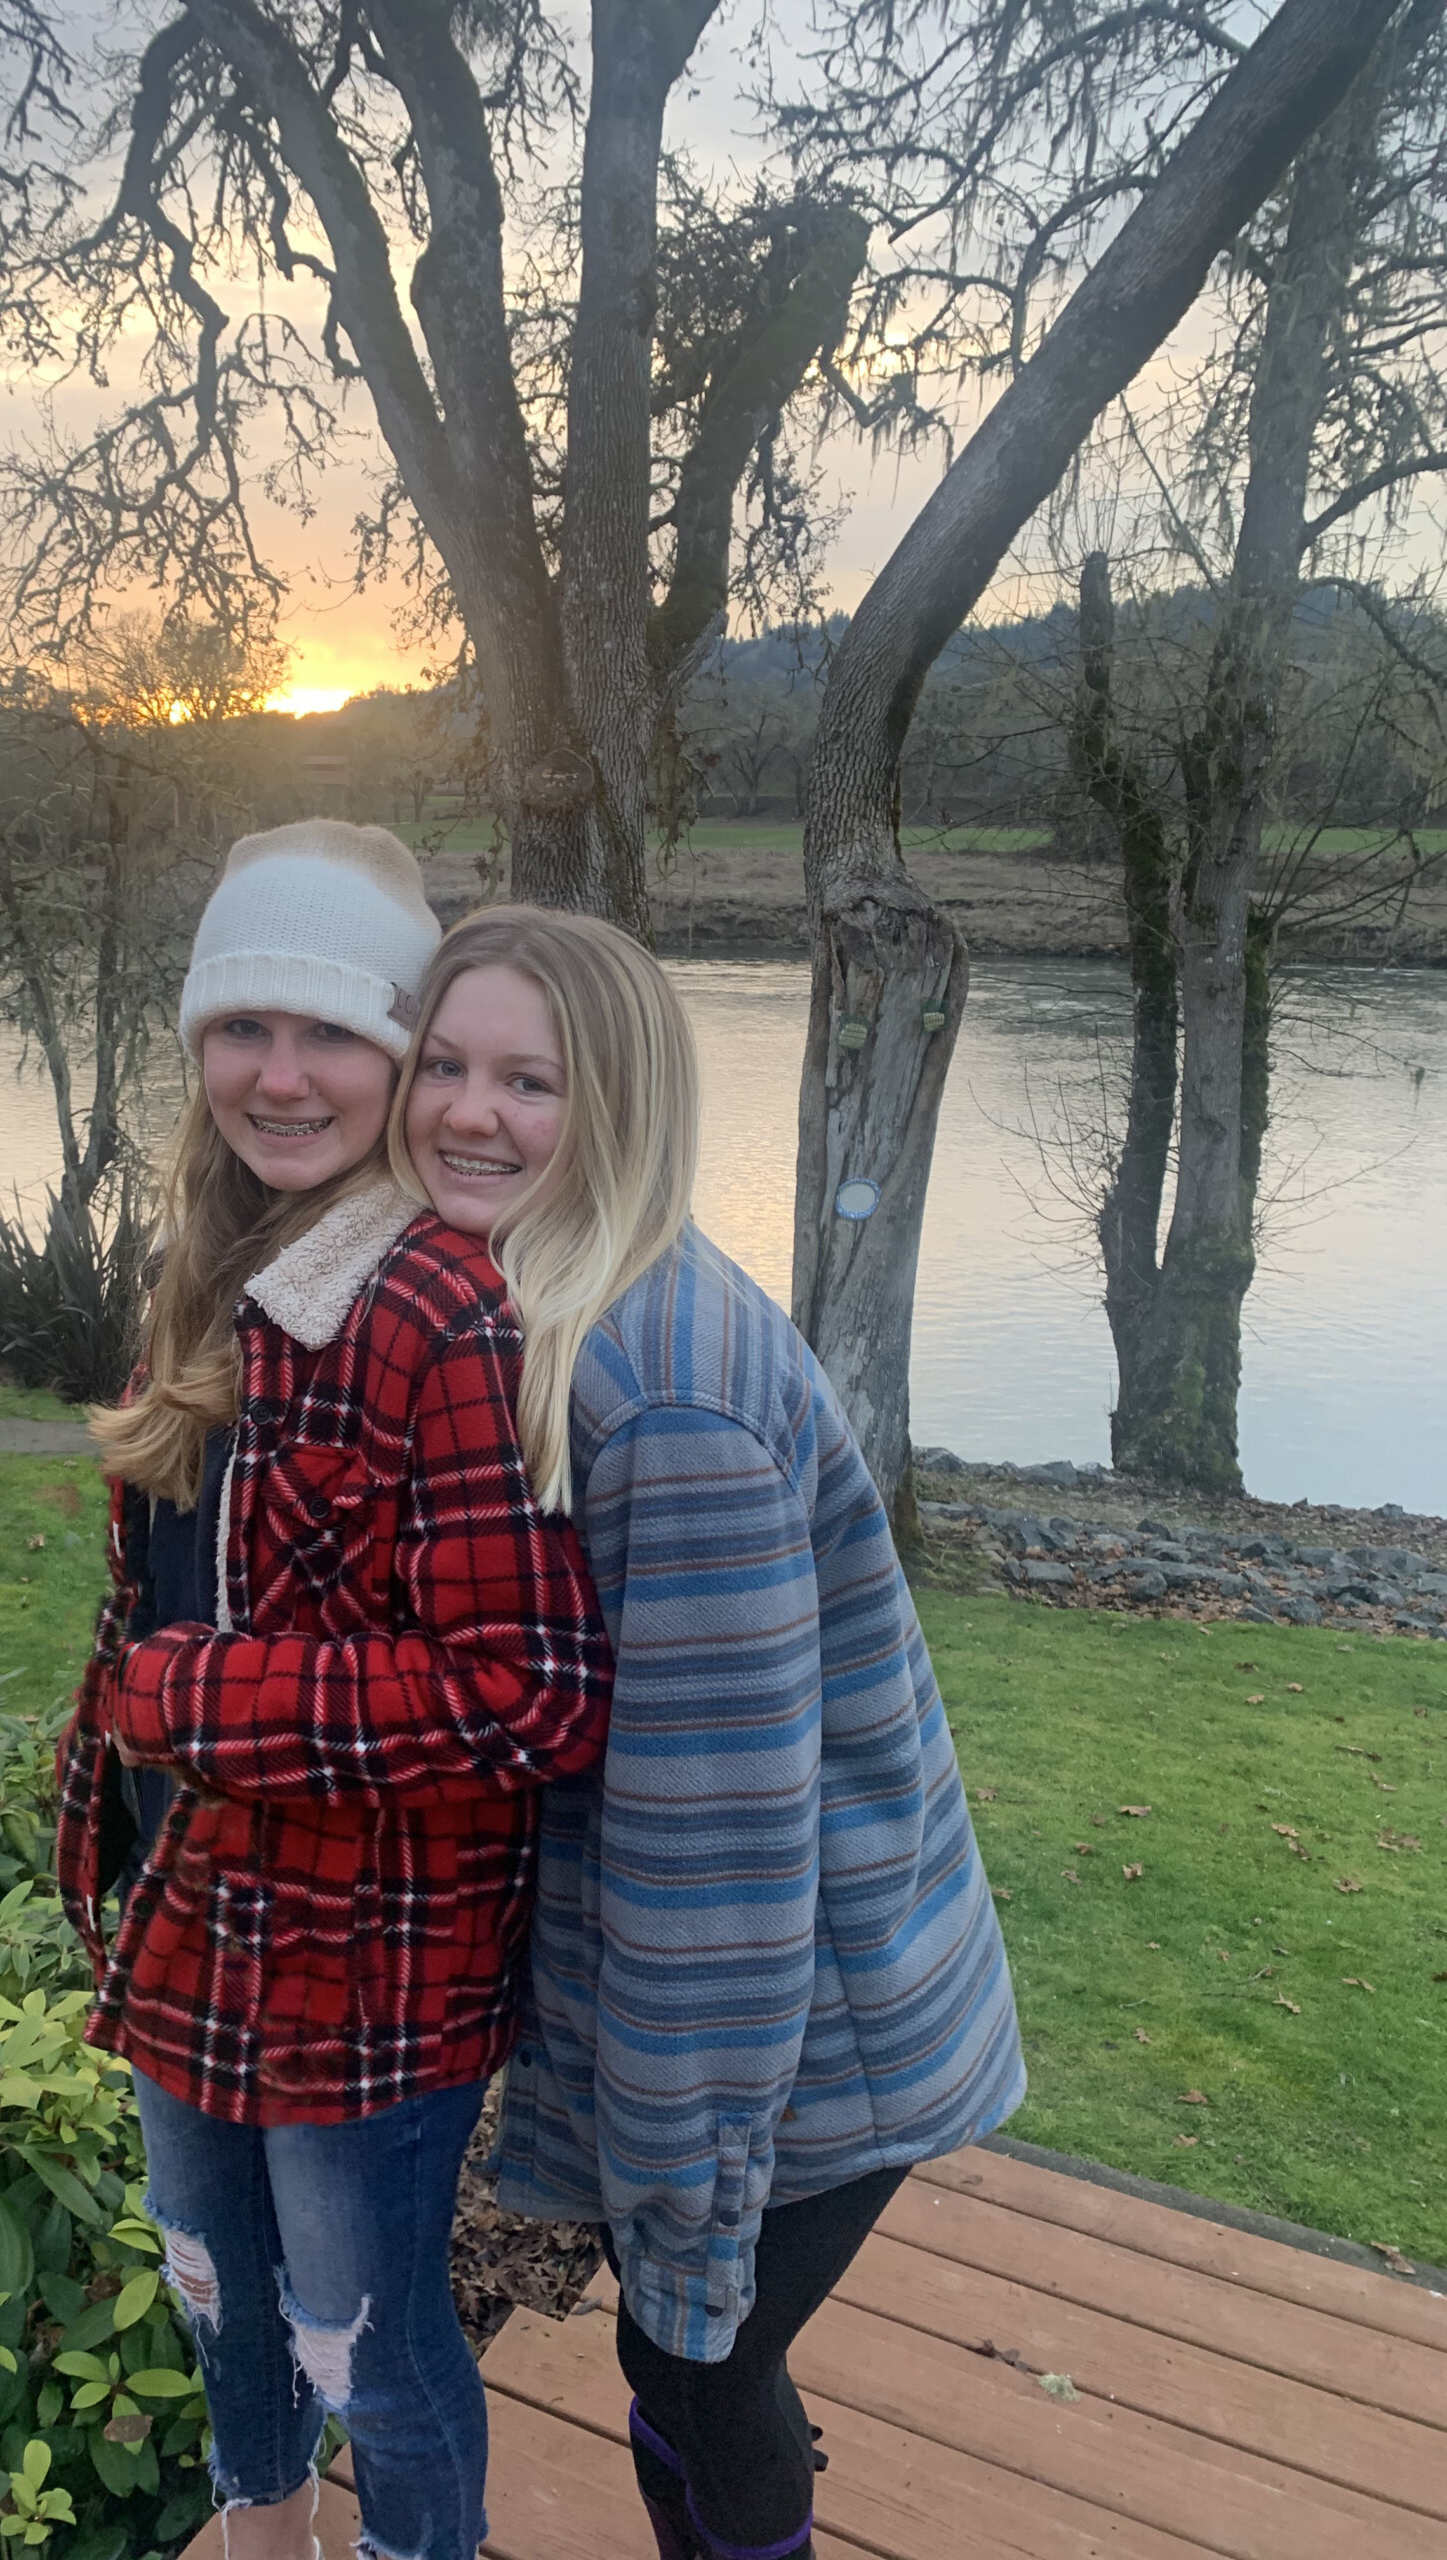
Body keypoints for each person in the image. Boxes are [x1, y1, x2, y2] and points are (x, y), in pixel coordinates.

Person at [391, 905, 1025, 2560]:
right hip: (773, 1997)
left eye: (531, 1079)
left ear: (622, 1107)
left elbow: (719, 1855)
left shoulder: (660, 1396)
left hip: (810, 2021)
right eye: (444, 1064)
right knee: (692, 2367)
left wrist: (678, 2188)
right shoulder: (527, 1295)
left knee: (700, 2357)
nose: (469, 1111)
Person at [53, 828, 612, 2560]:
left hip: (365, 1969)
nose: (279, 1078)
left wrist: (194, 1704)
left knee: (360, 2342)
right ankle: (260, 2530)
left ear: (395, 1053)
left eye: (333, 1039)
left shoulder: (435, 1310)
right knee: (217, 2288)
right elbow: (153, 1603)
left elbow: (525, 1696)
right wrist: (111, 1783)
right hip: (190, 1930)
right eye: (243, 1030)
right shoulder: (214, 1278)